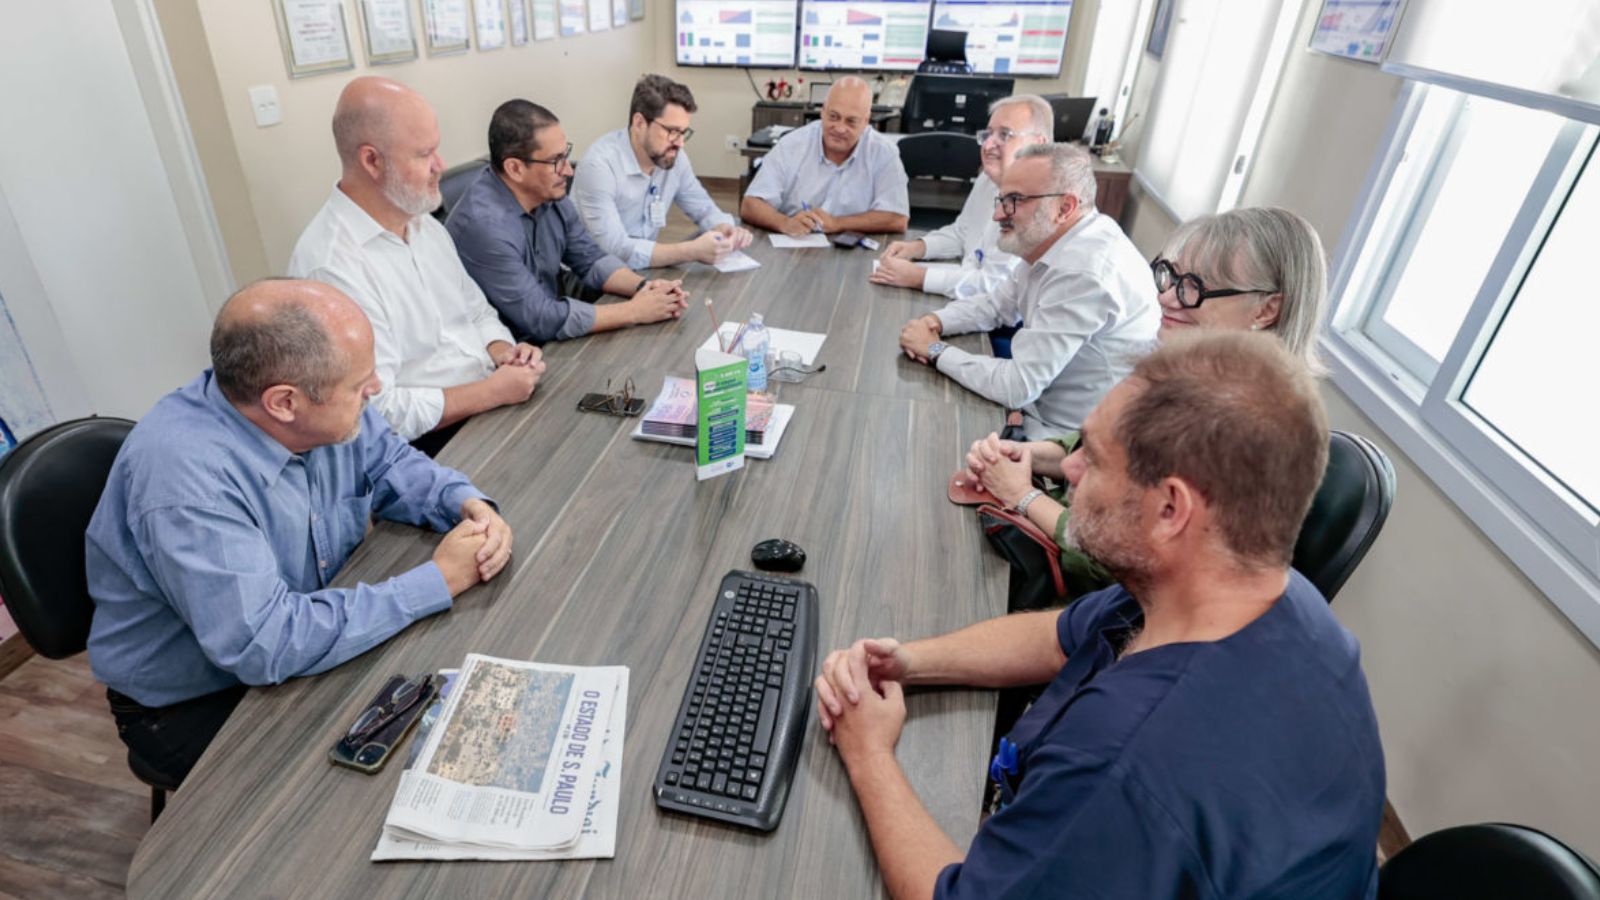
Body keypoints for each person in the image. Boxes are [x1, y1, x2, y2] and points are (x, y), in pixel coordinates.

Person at [815, 331, 1386, 899]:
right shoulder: (1261, 592)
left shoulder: (1126, 762)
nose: (1071, 471)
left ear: (1169, 509)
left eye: (1093, 456)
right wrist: (910, 662)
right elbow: (1062, 636)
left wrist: (867, 750)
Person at [86, 279, 515, 787]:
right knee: (374, 790)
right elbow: (264, 644)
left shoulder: (318, 408)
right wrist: (437, 581)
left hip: (300, 629)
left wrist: (464, 502)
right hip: (198, 700)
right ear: (284, 403)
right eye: (359, 386)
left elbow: (391, 462)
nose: (375, 389)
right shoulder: (186, 480)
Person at [959, 206, 1330, 565]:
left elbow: (1116, 564)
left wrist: (1020, 495)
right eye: (1170, 275)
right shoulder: (1186, 379)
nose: (1166, 297)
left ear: (1266, 310)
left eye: (1194, 287)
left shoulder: (1241, 433)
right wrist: (1028, 455)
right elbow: (1095, 450)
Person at [288, 76, 544, 450]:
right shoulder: (332, 270)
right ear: (372, 161)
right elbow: (377, 412)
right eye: (423, 155)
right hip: (429, 446)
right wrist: (491, 392)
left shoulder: (423, 225)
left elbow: (476, 313)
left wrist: (504, 352)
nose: (439, 166)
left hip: (492, 400)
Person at [898, 142, 1158, 439]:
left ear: (1065, 208)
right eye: (1001, 199)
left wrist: (933, 349)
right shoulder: (1055, 238)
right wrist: (936, 321)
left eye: (1014, 200)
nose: (998, 215)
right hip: (1034, 411)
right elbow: (997, 305)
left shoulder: (1084, 272)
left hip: (1062, 442)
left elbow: (1017, 386)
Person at [446, 99, 690, 346]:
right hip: (508, 351)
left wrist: (645, 288)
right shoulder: (485, 227)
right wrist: (636, 311)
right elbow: (540, 318)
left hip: (550, 327)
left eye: (566, 155)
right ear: (515, 168)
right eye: (556, 161)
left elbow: (590, 258)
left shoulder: (549, 193)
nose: (568, 171)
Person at [870, 95, 1051, 297]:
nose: (989, 145)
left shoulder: (1038, 205)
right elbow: (963, 232)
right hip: (967, 301)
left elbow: (992, 287)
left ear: (1038, 144)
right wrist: (918, 247)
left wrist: (919, 276)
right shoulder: (988, 179)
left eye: (1005, 135)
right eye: (988, 134)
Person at [570, 74, 753, 269]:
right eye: (672, 131)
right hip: (591, 277)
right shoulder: (599, 166)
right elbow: (615, 249)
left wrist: (725, 228)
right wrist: (691, 250)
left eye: (683, 133)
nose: (680, 143)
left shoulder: (673, 157)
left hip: (643, 269)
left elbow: (703, 207)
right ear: (639, 123)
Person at [740, 77, 910, 236]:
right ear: (822, 112)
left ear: (866, 121)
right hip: (794, 246)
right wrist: (785, 223)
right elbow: (750, 204)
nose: (840, 128)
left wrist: (838, 223)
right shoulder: (792, 145)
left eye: (851, 121)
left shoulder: (884, 153)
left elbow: (897, 217)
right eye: (833, 117)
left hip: (852, 251)